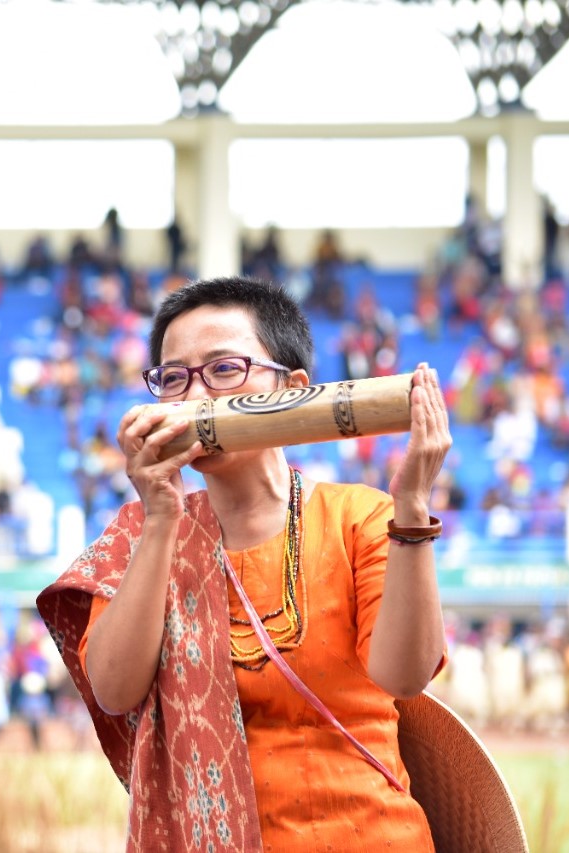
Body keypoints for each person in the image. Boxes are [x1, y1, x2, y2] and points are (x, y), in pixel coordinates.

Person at [37, 276, 451, 851]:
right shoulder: (139, 535)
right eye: (173, 378)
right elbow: (114, 690)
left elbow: (404, 676)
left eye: (224, 369)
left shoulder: (362, 517)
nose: (195, 396)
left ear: (294, 390)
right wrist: (161, 517)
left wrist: (411, 510)